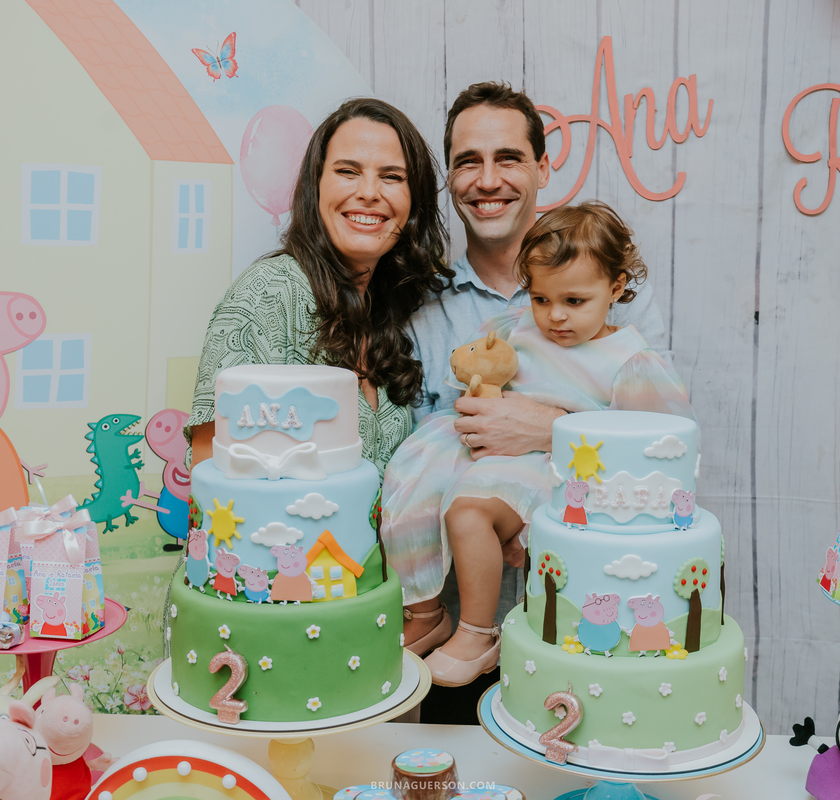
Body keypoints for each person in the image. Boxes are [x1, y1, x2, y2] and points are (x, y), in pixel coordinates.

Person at [400, 82, 671, 664]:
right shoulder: (422, 308)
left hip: (587, 618)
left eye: (509, 159)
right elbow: (423, 450)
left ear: (543, 168)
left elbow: (658, 444)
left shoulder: (620, 299)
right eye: (468, 162)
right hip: (460, 632)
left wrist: (552, 427)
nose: (488, 179)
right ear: (449, 178)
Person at [383, 201, 693, 686]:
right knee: (411, 478)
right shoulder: (518, 330)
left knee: (468, 513)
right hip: (491, 445)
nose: (555, 317)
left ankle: (477, 632)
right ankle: (423, 610)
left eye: (575, 301)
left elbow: (653, 445)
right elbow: (478, 373)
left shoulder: (630, 360)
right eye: (541, 299)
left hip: (557, 465)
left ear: (615, 288)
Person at [184, 97, 451, 473]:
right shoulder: (269, 292)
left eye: (392, 176)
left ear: (413, 201)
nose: (370, 192)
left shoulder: (387, 312)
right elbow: (211, 468)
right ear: (316, 185)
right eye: (348, 171)